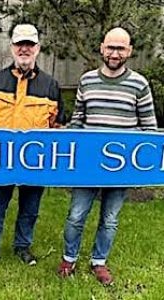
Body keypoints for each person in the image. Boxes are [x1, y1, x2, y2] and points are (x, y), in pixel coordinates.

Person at [57, 27, 157, 285]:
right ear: (102, 48)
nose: (115, 53)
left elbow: (149, 130)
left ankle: (99, 262)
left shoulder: (140, 84)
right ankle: (69, 257)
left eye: (120, 48)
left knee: (110, 219)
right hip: (88, 165)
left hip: (120, 168)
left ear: (129, 51)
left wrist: (142, 166)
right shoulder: (87, 80)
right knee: (76, 215)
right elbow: (78, 121)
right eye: (111, 47)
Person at [0, 24, 65, 272]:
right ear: (12, 47)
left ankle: (22, 246)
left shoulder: (51, 85)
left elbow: (58, 127)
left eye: (30, 44)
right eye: (19, 44)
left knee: (30, 209)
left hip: (35, 164)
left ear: (38, 48)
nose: (24, 49)